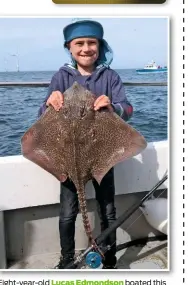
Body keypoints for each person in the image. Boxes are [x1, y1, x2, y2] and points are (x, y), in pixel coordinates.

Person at [38, 19, 133, 269]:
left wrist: (113, 107)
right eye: (79, 43)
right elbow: (41, 115)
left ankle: (108, 256)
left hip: (102, 153)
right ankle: (67, 258)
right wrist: (50, 102)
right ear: (69, 47)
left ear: (100, 47)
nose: (86, 48)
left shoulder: (110, 77)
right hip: (67, 158)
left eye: (92, 43)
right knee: (68, 213)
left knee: (108, 210)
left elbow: (128, 108)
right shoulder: (61, 76)